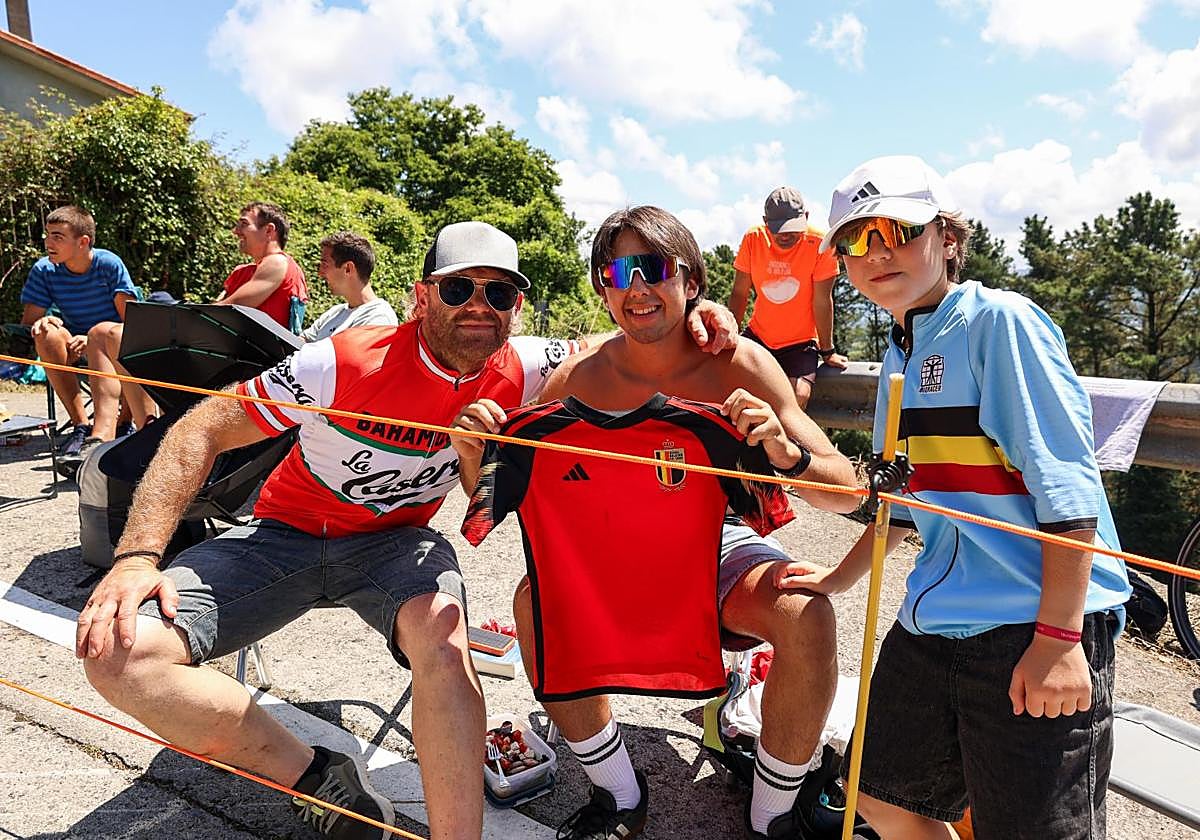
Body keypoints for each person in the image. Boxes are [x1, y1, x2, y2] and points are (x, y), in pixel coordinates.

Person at [75, 220, 739, 840]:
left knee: (448, 649)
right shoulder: (336, 363)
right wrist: (136, 555)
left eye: (500, 292)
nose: (480, 304)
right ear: (422, 297)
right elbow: (201, 429)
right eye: (458, 288)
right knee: (117, 654)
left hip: (398, 548)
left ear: (514, 308)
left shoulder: (532, 364)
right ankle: (319, 779)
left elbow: (632, 342)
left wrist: (708, 315)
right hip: (284, 534)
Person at [451, 206, 859, 840]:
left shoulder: (739, 364)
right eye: (620, 270)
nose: (638, 286)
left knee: (807, 612)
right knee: (533, 602)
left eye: (655, 267)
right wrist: (472, 449)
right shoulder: (575, 380)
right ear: (603, 289)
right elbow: (494, 497)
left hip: (716, 548)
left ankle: (773, 817)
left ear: (690, 281)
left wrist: (786, 449)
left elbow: (846, 492)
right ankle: (617, 794)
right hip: (610, 555)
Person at [779, 156, 1132, 840]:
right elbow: (913, 497)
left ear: (946, 236)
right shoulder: (901, 349)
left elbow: (1068, 485)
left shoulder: (999, 322)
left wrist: (1059, 639)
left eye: (899, 230)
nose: (877, 252)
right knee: (875, 795)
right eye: (856, 239)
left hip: (1033, 619)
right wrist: (840, 578)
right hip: (937, 618)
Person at [19, 205, 138, 458]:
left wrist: (94, 339)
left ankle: (125, 424)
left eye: (57, 237)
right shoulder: (44, 270)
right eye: (47, 235)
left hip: (112, 341)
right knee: (46, 333)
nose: (48, 242)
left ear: (83, 242)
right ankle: (81, 426)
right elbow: (28, 324)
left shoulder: (109, 264)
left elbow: (132, 322)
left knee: (116, 338)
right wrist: (43, 322)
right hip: (73, 345)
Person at [728, 187, 847, 409]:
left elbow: (822, 300)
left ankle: (785, 443)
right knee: (731, 386)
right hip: (759, 335)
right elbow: (739, 293)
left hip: (800, 343)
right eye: (778, 229)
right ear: (765, 222)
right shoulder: (753, 238)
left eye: (792, 229)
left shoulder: (820, 243)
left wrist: (827, 350)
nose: (785, 235)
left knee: (799, 394)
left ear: (806, 217)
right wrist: (730, 334)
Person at [217, 201, 309, 330]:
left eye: (244, 224)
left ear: (269, 230)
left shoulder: (278, 262)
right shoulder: (241, 272)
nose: (236, 231)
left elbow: (225, 311)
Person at [302, 231, 397, 342]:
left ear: (348, 268)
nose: (320, 273)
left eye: (325, 264)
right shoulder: (335, 312)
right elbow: (302, 341)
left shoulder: (379, 319)